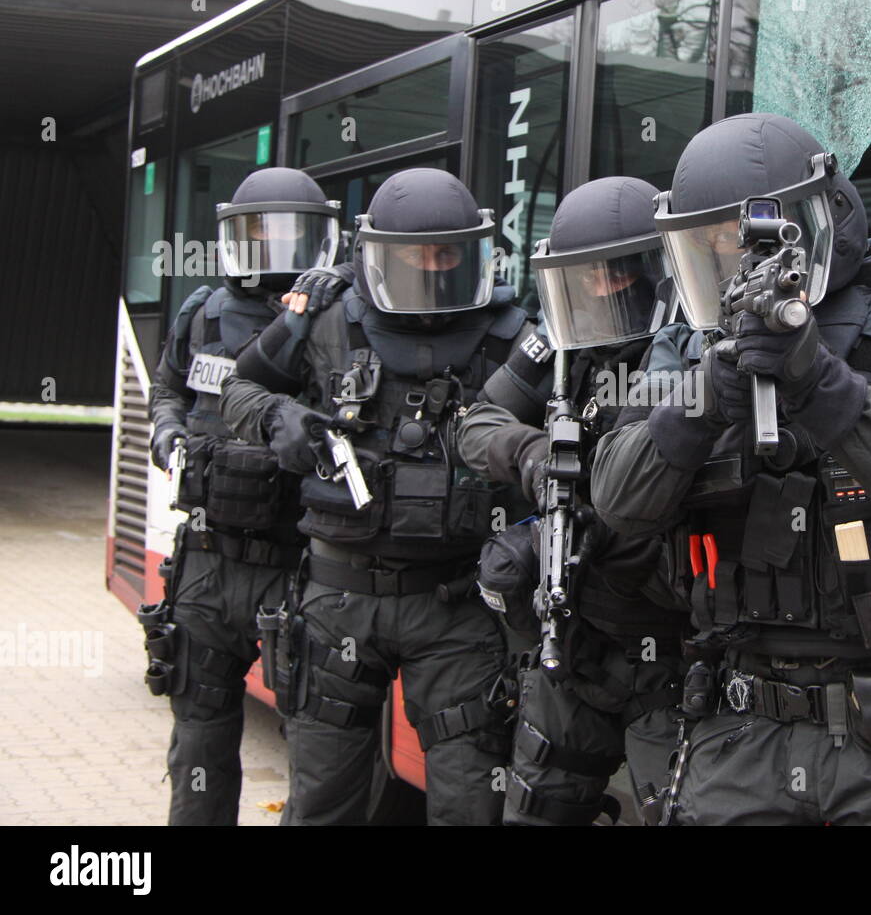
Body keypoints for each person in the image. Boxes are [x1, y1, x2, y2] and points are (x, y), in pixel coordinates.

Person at [588, 113, 871, 825]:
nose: (732, 266)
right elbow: (619, 498)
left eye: (745, 241)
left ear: (826, 219)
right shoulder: (684, 350)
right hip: (738, 723)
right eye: (710, 248)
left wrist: (820, 382)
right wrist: (703, 399)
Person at [219, 168, 531, 825]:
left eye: (447, 253)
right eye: (415, 254)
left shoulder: (511, 335)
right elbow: (238, 391)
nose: (432, 265)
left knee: (472, 801)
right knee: (324, 800)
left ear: (473, 252)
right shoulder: (326, 317)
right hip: (340, 598)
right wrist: (284, 421)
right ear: (374, 255)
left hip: (456, 603)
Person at [458, 176, 691, 825]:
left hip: (673, 647)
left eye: (616, 273)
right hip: (576, 640)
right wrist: (534, 458)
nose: (599, 289)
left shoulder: (694, 345)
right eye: (583, 276)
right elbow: (476, 427)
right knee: (535, 808)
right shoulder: (561, 344)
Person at [139, 166, 340, 825]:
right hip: (205, 557)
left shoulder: (337, 320)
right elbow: (167, 387)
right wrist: (166, 428)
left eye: (290, 236)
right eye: (259, 235)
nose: (273, 249)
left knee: (319, 744)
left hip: (297, 565)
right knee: (198, 738)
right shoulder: (203, 311)